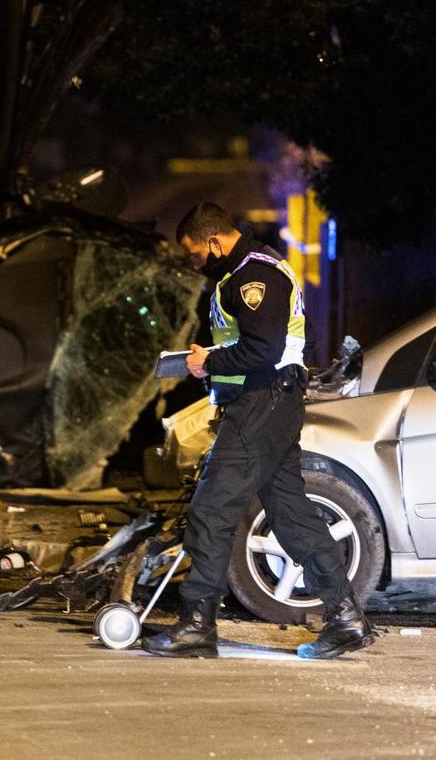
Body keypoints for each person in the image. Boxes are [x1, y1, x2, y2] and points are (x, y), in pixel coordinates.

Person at [141, 202, 375, 659]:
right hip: (272, 402)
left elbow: (263, 350)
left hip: (262, 403)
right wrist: (209, 357)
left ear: (213, 241)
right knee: (290, 514)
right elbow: (261, 343)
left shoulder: (255, 277)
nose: (193, 264)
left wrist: (207, 361)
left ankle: (196, 625)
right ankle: (345, 617)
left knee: (212, 508)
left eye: (193, 254)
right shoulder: (252, 269)